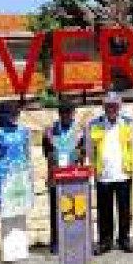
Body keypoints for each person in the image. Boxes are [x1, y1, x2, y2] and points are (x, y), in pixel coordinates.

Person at [89, 92, 133, 255]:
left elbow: (131, 146)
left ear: (119, 106)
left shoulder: (127, 123)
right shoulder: (95, 124)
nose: (112, 108)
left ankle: (124, 239)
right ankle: (105, 242)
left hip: (123, 172)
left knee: (124, 209)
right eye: (108, 105)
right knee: (104, 211)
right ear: (104, 107)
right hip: (104, 174)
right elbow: (89, 148)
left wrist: (131, 165)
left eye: (114, 105)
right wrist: (91, 168)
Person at [0, 103, 34, 263]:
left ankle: (21, 250)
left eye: (16, 113)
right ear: (4, 115)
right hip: (4, 178)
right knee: (7, 214)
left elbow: (27, 154)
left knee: (20, 212)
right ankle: (9, 253)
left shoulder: (24, 132)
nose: (15, 117)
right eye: (12, 114)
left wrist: (26, 173)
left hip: (20, 177)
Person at [42, 101, 85, 254]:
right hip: (56, 176)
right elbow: (46, 153)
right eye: (63, 113)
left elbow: (83, 152)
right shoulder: (49, 131)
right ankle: (56, 242)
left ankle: (74, 240)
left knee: (73, 209)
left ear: (73, 114)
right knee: (56, 210)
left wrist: (75, 157)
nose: (66, 116)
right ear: (59, 115)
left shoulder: (79, 130)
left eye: (69, 113)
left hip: (73, 176)